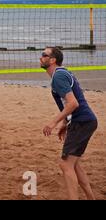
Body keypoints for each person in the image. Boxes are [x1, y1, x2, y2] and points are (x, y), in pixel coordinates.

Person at [41, 47, 98, 200]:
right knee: (74, 164)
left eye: (44, 55)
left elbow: (73, 104)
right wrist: (66, 123)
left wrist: (53, 123)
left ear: (52, 60)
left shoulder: (58, 76)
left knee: (65, 164)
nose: (41, 57)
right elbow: (70, 102)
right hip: (83, 121)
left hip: (82, 121)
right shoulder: (60, 74)